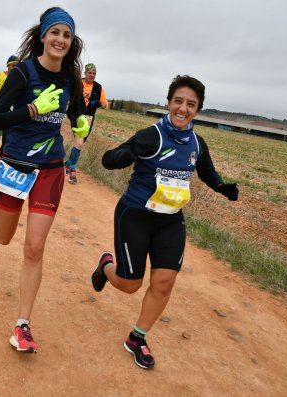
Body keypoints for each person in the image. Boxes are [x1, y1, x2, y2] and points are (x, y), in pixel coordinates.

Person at [90, 75, 239, 369]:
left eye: (191, 104)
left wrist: (222, 187)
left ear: (198, 109)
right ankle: (106, 267)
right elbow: (110, 160)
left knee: (164, 282)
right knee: (131, 284)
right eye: (178, 101)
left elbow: (206, 172)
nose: (183, 109)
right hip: (135, 214)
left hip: (171, 221)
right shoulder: (151, 135)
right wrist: (129, 153)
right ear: (169, 103)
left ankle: (137, 338)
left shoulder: (197, 142)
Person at [0, 6, 89, 353]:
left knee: (34, 247)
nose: (60, 39)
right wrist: (33, 110)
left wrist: (82, 123)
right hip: (15, 164)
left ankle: (22, 324)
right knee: (6, 236)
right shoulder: (23, 74)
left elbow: (75, 110)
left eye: (67, 35)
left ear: (72, 42)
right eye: (55, 32)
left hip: (51, 169)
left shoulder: (70, 78)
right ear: (42, 36)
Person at [64, 63, 108, 183]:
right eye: (90, 73)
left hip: (89, 118)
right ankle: (72, 169)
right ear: (85, 73)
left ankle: (67, 163)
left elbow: (105, 105)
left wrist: (98, 104)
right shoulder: (77, 84)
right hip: (76, 115)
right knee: (79, 142)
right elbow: (67, 96)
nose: (92, 75)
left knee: (80, 143)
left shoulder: (99, 88)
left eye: (94, 73)